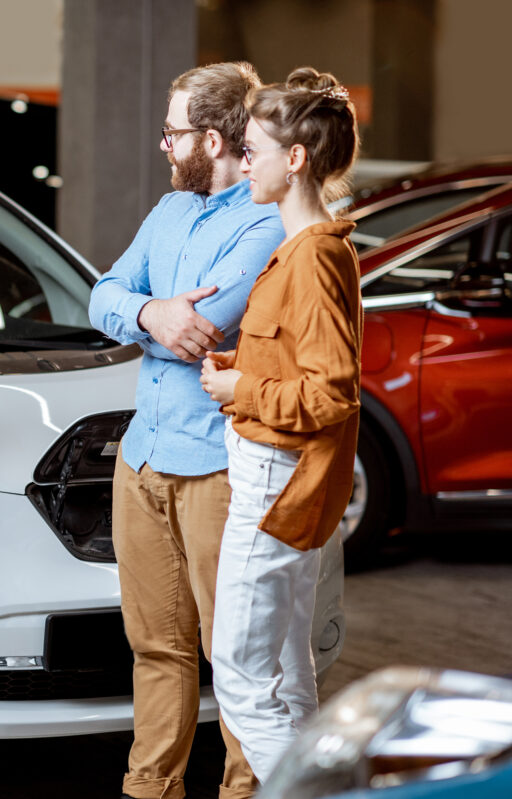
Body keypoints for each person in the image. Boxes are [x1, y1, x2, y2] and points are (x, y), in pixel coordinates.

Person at [89, 62, 285, 799]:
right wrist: (149, 313)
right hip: (142, 458)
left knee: (234, 654)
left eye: (172, 134)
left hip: (216, 466)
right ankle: (151, 787)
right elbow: (102, 293)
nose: (162, 147)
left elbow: (206, 329)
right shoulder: (168, 212)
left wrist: (160, 315)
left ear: (212, 137)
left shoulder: (266, 222)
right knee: (155, 647)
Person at [199, 67, 362, 784]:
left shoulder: (315, 255)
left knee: (240, 675)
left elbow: (332, 394)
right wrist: (247, 362)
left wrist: (242, 385)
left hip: (274, 479)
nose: (243, 162)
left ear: (294, 158)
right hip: (275, 476)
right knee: (286, 675)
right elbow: (302, 359)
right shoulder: (305, 250)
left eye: (254, 149)